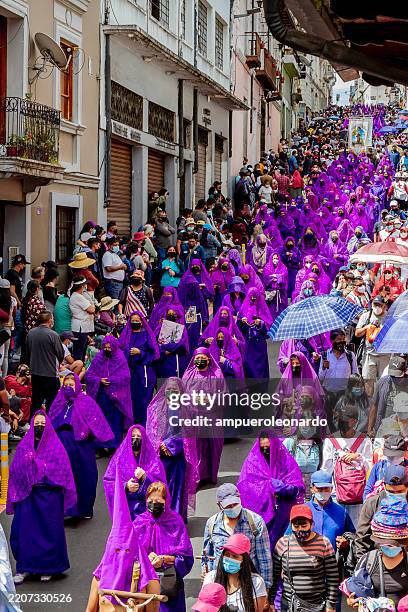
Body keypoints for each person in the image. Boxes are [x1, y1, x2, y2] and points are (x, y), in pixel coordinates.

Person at [7, 411, 76, 584]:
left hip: (49, 495)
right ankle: (24, 568)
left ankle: (48, 568)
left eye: (42, 424)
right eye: (36, 424)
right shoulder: (24, 446)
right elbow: (15, 470)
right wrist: (27, 464)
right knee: (24, 532)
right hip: (28, 496)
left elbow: (62, 471)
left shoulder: (56, 446)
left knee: (49, 532)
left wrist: (40, 465)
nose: (39, 427)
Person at [86, 464, 160, 612]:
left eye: (127, 551)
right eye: (117, 550)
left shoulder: (150, 582)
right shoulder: (99, 580)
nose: (122, 555)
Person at [49, 373, 113, 519]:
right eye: (66, 385)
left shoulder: (86, 402)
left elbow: (97, 423)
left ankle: (83, 509)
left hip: (81, 447)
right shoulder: (58, 402)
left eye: (71, 385)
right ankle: (66, 510)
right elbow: (50, 421)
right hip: (60, 448)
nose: (68, 387)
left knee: (84, 477)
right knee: (61, 478)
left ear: (77, 385)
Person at [237, 431, 304, 551]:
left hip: (283, 516)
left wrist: (281, 487)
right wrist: (267, 487)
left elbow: (297, 487)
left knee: (282, 549)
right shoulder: (251, 463)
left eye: (268, 448)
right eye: (262, 448)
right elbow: (244, 487)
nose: (266, 451)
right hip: (260, 516)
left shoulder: (286, 461)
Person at [133, 481, 194, 611]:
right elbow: (130, 551)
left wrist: (165, 559)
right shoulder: (139, 522)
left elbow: (186, 557)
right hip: (144, 584)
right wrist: (145, 558)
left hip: (168, 584)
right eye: (151, 500)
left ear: (166, 502)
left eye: (158, 501)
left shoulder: (175, 522)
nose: (154, 504)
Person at [202, 483, 272, 592]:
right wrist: (207, 577)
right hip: (221, 584)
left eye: (235, 504)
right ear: (219, 506)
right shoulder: (212, 524)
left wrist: (266, 588)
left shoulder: (255, 522)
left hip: (248, 583)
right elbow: (208, 555)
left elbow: (264, 557)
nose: (233, 508)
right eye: (228, 506)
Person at [270, 504, 339, 612]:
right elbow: (274, 576)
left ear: (311, 524)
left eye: (304, 526)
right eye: (296, 526)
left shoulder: (323, 543)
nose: (300, 530)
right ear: (291, 525)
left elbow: (333, 577)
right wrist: (271, 601)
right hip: (289, 605)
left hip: (316, 605)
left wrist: (331, 604)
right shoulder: (283, 543)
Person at [346, 497, 408, 608]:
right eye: (386, 544)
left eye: (394, 544)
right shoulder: (368, 559)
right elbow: (355, 592)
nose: (390, 547)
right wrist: (354, 601)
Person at [103, 425, 166, 520]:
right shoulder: (119, 459)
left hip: (148, 508)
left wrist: (145, 477)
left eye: (139, 437)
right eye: (133, 437)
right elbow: (108, 481)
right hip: (126, 508)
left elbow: (162, 485)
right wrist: (125, 486)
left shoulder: (153, 461)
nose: (136, 440)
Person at [85, 335, 133, 450]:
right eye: (105, 347)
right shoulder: (99, 358)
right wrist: (99, 380)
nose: (107, 350)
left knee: (115, 422)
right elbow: (89, 374)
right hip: (101, 397)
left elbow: (126, 376)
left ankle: (114, 446)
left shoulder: (120, 358)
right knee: (101, 421)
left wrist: (111, 381)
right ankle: (100, 446)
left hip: (116, 398)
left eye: (109, 347)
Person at [355, 465, 408, 561]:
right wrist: (363, 566)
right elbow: (361, 538)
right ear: (384, 485)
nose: (395, 495)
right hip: (378, 561)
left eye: (400, 491)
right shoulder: (372, 503)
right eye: (390, 492)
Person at [203, 533, 267, 612]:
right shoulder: (211, 578)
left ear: (244, 560)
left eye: (235, 556)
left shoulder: (256, 582)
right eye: (227, 555)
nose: (229, 559)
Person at [119, 312, 159, 427]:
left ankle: (144, 426)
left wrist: (140, 353)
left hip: (144, 373)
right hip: (130, 373)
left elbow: (154, 354)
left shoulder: (147, 335)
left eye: (137, 320)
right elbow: (119, 350)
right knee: (131, 400)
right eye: (133, 320)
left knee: (144, 401)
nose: (135, 322)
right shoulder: (126, 334)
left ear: (142, 322)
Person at [27, 311, 64, 415]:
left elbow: (28, 351)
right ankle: (48, 425)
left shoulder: (31, 333)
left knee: (36, 401)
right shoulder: (53, 334)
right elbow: (60, 353)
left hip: (35, 372)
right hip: (50, 373)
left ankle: (33, 424)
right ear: (49, 321)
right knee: (51, 402)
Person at [69, 276, 95, 361]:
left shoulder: (78, 296)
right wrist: (93, 304)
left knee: (81, 351)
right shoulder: (77, 296)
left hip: (81, 327)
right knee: (79, 352)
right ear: (81, 286)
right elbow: (92, 309)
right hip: (80, 328)